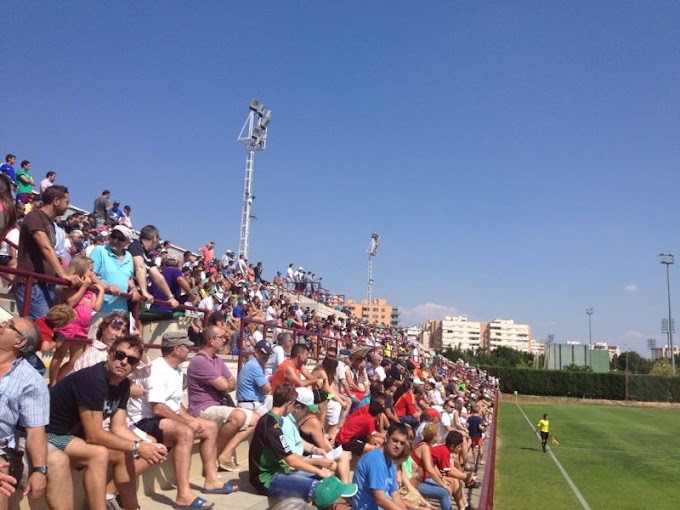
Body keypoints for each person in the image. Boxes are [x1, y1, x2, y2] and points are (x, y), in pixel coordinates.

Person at [47, 334, 167, 510]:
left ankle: (132, 507)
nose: (124, 362)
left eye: (131, 360)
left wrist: (145, 445)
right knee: (99, 453)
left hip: (72, 437)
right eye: (120, 355)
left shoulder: (123, 385)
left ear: (135, 367)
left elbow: (118, 427)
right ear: (110, 354)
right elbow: (94, 436)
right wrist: (138, 447)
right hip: (49, 434)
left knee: (123, 451)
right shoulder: (93, 379)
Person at [128, 331, 232, 509]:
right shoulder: (158, 369)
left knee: (210, 426)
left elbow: (175, 405)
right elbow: (157, 408)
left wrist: (191, 419)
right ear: (176, 349)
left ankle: (211, 480)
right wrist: (187, 423)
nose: (190, 349)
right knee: (184, 432)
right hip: (143, 420)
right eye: (186, 346)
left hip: (159, 418)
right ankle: (183, 495)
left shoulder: (175, 369)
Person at [0, 318, 73, 510]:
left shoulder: (30, 380)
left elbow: (35, 430)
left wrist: (40, 470)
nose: (1, 325)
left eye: (9, 326)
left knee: (58, 460)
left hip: (4, 443)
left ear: (19, 342)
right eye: (5, 322)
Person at [248, 383, 357, 506]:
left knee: (323, 479)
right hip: (267, 479)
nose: (294, 407)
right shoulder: (271, 426)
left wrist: (316, 460)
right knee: (320, 489)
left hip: (278, 470)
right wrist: (318, 470)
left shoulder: (274, 421)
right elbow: (291, 460)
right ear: (288, 403)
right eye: (293, 403)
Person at [187, 326, 258, 473]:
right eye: (222, 337)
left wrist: (225, 385)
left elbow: (232, 382)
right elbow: (224, 384)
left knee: (256, 419)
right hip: (202, 409)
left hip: (216, 406)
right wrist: (225, 385)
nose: (225, 340)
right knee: (238, 416)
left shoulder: (217, 360)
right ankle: (213, 459)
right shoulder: (200, 361)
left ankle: (224, 455)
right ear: (211, 341)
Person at [14, 185, 81, 320]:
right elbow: (45, 247)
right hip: (32, 285)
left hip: (44, 284)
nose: (68, 206)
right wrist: (63, 275)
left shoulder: (49, 222)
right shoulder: (35, 216)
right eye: (66, 202)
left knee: (43, 333)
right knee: (39, 332)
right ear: (56, 201)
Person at [48, 255, 105, 384]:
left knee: (75, 360)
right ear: (81, 269)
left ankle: (59, 381)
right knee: (60, 354)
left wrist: (101, 291)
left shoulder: (90, 291)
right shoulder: (71, 285)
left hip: (82, 329)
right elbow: (70, 302)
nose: (92, 273)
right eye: (90, 270)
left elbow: (96, 306)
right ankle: (52, 382)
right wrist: (83, 287)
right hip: (68, 326)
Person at [351, 422, 409, 510]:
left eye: (402, 443)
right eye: (395, 440)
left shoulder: (390, 462)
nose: (398, 446)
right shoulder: (376, 459)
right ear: (386, 437)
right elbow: (380, 499)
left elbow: (395, 495)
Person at [128, 225, 179, 308]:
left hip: (136, 297)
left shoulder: (148, 255)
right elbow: (140, 267)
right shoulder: (135, 245)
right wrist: (144, 292)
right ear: (154, 238)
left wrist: (171, 297)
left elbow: (157, 276)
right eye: (158, 240)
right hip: (128, 293)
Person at [236, 339, 273, 417]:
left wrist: (265, 389)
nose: (266, 356)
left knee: (275, 401)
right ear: (256, 352)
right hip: (250, 405)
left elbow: (267, 390)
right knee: (273, 420)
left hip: (253, 402)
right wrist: (265, 389)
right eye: (263, 353)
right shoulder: (254, 366)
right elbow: (267, 389)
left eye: (268, 354)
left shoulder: (255, 364)